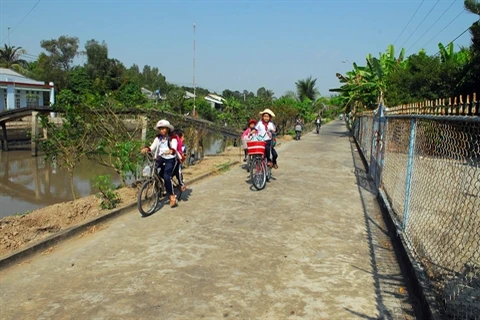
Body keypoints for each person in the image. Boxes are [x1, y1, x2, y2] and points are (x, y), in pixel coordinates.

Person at [141, 119, 178, 208]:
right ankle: (159, 185)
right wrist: (147, 149)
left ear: (168, 129)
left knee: (166, 176)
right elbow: (152, 147)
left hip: (170, 158)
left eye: (163, 128)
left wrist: (170, 151)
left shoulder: (173, 138)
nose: (161, 130)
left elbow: (174, 149)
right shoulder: (158, 138)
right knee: (152, 169)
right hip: (161, 157)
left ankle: (172, 196)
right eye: (160, 129)